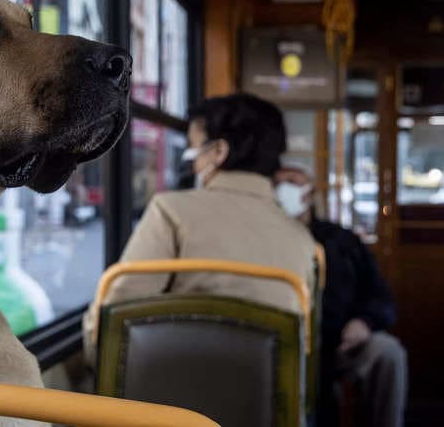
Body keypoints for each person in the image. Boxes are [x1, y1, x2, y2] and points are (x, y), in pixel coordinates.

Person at [82, 93, 317, 364]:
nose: (189, 160)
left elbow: (112, 319)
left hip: (169, 398)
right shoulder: (301, 238)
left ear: (218, 151)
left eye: (192, 147)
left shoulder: (170, 212)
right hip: (266, 402)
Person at [274, 165, 407, 427]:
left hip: (341, 342)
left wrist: (364, 322)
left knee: (388, 353)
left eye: (291, 181)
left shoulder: (342, 241)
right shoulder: (268, 239)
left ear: (309, 191)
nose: (283, 189)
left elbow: (381, 297)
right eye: (277, 183)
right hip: (288, 343)